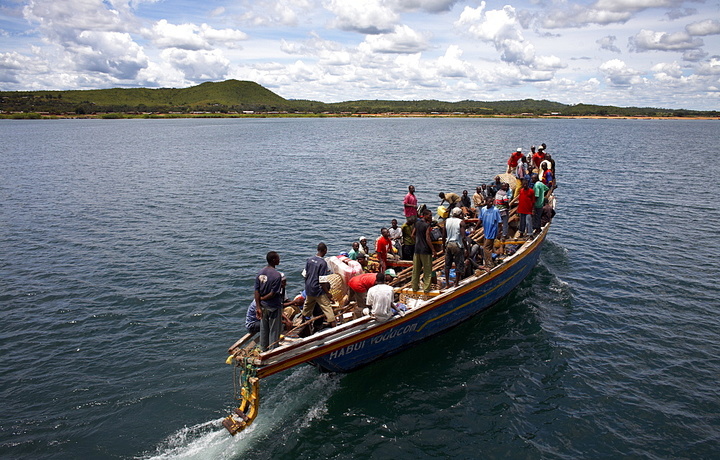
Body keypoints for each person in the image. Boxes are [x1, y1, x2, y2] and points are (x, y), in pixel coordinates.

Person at [301, 242, 336, 328]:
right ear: (325, 250)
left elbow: (305, 275)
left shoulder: (309, 260)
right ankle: (334, 326)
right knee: (327, 307)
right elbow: (322, 281)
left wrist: (308, 285)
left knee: (307, 306)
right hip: (318, 290)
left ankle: (303, 321)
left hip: (309, 288)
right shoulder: (322, 263)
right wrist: (327, 293)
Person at [254, 251, 283, 350]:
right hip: (273, 306)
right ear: (274, 260)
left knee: (264, 328)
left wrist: (258, 306)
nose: (279, 260)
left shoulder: (260, 272)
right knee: (274, 330)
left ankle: (263, 348)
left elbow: (256, 290)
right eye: (278, 258)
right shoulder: (277, 275)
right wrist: (262, 298)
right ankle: (272, 350)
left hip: (262, 306)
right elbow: (272, 294)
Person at [411, 209, 439, 293]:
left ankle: (414, 287)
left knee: (416, 270)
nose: (431, 217)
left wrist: (418, 241)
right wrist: (433, 250)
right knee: (427, 270)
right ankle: (426, 289)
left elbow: (412, 235)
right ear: (425, 215)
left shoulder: (417, 223)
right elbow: (427, 238)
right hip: (425, 251)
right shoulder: (427, 225)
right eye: (429, 215)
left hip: (417, 249)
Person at [443, 207, 468, 288]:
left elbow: (444, 236)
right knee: (459, 264)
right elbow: (463, 237)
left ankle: (447, 284)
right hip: (457, 245)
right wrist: (466, 248)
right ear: (460, 214)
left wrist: (444, 246)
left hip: (448, 244)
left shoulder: (447, 221)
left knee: (447, 265)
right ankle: (456, 283)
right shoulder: (461, 222)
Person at [480, 197, 501, 272]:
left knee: (486, 248)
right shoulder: (483, 209)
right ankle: (488, 262)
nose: (491, 203)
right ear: (486, 202)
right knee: (489, 247)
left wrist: (498, 232)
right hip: (486, 232)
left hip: (492, 232)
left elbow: (499, 222)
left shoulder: (495, 210)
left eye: (492, 202)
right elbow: (480, 219)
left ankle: (489, 265)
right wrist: (475, 228)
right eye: (489, 202)